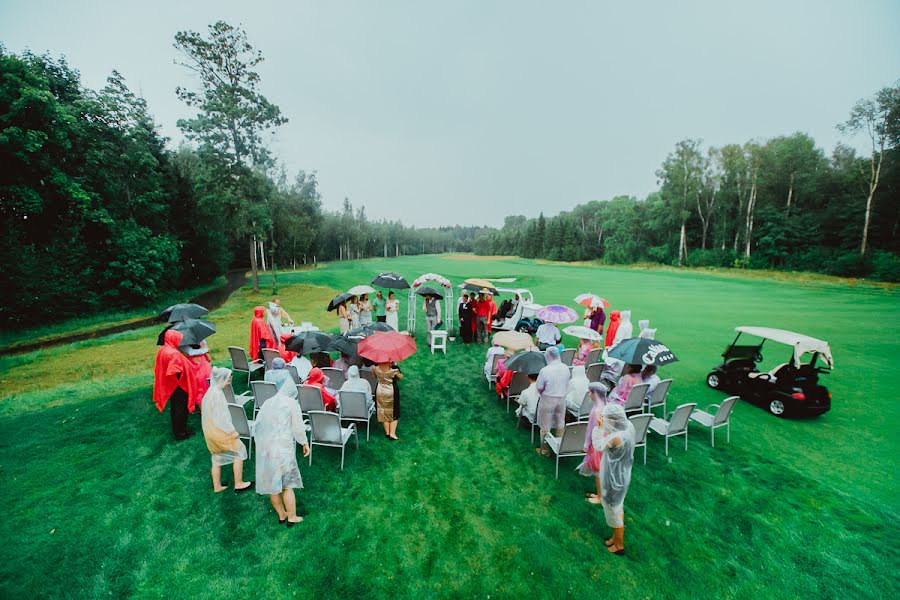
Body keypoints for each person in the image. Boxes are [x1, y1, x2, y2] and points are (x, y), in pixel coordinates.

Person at [254, 381, 310, 527]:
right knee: (287, 485)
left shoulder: (267, 403)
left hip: (266, 448)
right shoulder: (292, 403)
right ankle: (292, 517)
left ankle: (281, 514)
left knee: (272, 485)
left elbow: (258, 425)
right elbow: (298, 427)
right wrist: (304, 442)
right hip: (283, 448)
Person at [201, 367, 253, 493]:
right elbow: (222, 418)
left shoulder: (209, 392)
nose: (230, 382)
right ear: (221, 379)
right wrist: (232, 432)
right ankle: (239, 483)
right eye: (228, 380)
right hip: (220, 431)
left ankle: (217, 486)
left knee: (216, 457)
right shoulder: (218, 395)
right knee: (239, 451)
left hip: (210, 431)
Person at [595, 403, 636, 555]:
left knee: (613, 508)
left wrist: (599, 428)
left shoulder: (616, 438)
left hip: (614, 478)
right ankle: (615, 537)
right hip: (623, 472)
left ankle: (619, 545)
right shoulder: (628, 427)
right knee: (617, 507)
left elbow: (598, 445)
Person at [153, 329, 199, 440]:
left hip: (171, 385)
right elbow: (174, 370)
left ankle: (179, 430)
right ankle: (181, 433)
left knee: (175, 408)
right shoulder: (173, 353)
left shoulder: (164, 350)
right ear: (172, 339)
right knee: (180, 409)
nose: (179, 341)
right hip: (178, 385)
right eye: (177, 339)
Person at [535, 347, 570, 457]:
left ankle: (545, 449)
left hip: (548, 398)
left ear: (548, 356)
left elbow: (539, 387)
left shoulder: (545, 370)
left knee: (545, 424)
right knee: (560, 421)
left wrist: (544, 391)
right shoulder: (566, 368)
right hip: (561, 398)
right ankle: (560, 446)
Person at [579, 383, 608, 505]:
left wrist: (586, 445)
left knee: (598, 469)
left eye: (590, 392)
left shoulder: (596, 410)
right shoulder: (604, 406)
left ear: (595, 393)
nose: (589, 394)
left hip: (597, 442)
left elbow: (591, 430)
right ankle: (600, 494)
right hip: (604, 440)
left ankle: (600, 498)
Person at [374, 361, 403, 440]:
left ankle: (387, 432)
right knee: (394, 411)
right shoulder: (394, 370)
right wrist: (395, 367)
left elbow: (374, 376)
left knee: (383, 410)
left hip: (380, 391)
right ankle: (392, 433)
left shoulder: (375, 368)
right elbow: (400, 378)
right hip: (391, 391)